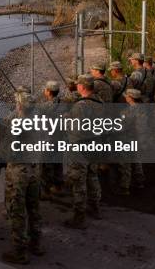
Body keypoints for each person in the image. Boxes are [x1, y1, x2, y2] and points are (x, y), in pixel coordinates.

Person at [1, 89, 43, 264]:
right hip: (34, 170)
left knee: (17, 211)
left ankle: (19, 252)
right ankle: (36, 244)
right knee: (34, 209)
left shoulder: (18, 123)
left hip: (19, 173)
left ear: (19, 105)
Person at [64, 74, 103, 229]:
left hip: (80, 147)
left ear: (82, 87)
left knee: (79, 182)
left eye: (78, 84)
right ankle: (95, 208)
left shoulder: (80, 106)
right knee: (93, 177)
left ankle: (79, 218)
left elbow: (76, 128)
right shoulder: (100, 101)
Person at [114, 89, 146, 195]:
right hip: (139, 138)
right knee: (137, 161)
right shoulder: (142, 108)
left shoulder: (128, 111)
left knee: (125, 163)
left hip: (128, 138)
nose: (125, 97)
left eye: (127, 96)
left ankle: (124, 187)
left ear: (131, 98)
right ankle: (139, 182)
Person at [38, 80, 64, 199]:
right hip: (61, 138)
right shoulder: (63, 104)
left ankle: (46, 190)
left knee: (46, 166)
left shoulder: (44, 107)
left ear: (48, 92)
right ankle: (58, 187)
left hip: (49, 139)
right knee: (58, 163)